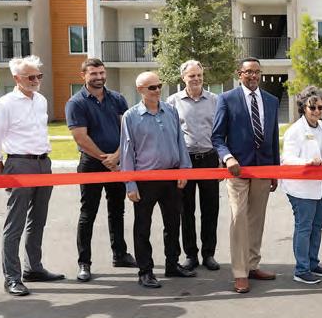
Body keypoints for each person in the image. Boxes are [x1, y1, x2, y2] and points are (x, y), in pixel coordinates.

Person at [0, 55, 64, 296]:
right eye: (30, 77)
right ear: (16, 78)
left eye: (39, 76)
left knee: (38, 219)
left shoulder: (41, 100)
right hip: (19, 164)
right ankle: (12, 278)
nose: (36, 80)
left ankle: (34, 268)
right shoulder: (5, 104)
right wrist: (5, 173)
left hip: (43, 164)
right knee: (15, 224)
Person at [120, 71, 195, 288]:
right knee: (142, 227)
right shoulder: (130, 116)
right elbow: (127, 152)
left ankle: (172, 264)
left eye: (159, 85)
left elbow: (180, 141)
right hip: (145, 180)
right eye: (152, 87)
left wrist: (184, 170)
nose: (157, 90)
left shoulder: (170, 110)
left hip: (171, 177)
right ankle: (145, 271)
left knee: (173, 223)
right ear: (140, 90)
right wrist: (130, 184)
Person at [212, 57, 280, 294]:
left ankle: (252, 265)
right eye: (248, 72)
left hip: (263, 169)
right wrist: (228, 157)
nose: (253, 76)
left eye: (257, 72)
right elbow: (217, 137)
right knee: (239, 218)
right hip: (237, 170)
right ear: (239, 74)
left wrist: (275, 171)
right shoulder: (226, 99)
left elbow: (273, 137)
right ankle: (240, 273)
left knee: (256, 219)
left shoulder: (271, 100)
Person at [66, 57, 135, 283]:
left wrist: (117, 156)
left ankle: (120, 255)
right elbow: (81, 137)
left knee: (117, 210)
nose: (99, 77)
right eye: (93, 73)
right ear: (83, 76)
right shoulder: (76, 103)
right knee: (88, 213)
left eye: (101, 73)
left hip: (117, 161)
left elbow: (126, 130)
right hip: (91, 164)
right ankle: (84, 263)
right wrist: (106, 160)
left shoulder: (117, 99)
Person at [167, 60, 221, 272]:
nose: (196, 79)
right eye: (192, 76)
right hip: (185, 161)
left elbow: (221, 131)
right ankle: (191, 255)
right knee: (186, 210)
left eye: (199, 75)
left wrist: (221, 160)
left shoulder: (215, 100)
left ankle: (209, 254)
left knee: (210, 210)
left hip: (209, 159)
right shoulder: (172, 102)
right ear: (183, 78)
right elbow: (171, 134)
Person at [282, 86, 322, 285]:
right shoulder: (295, 131)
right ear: (303, 108)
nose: (316, 111)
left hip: (321, 184)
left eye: (320, 108)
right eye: (312, 107)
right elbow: (287, 159)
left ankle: (313, 263)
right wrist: (307, 162)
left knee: (317, 225)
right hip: (301, 187)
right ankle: (301, 269)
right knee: (304, 227)